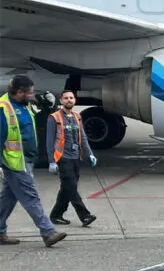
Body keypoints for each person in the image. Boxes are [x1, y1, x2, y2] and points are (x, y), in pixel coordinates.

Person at [0, 75, 67, 247]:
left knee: (8, 198)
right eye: (29, 93)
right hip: (15, 162)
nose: (31, 96)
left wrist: (48, 107)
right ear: (19, 92)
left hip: (27, 159)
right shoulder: (4, 109)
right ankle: (48, 232)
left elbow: (35, 123)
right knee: (31, 197)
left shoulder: (23, 104)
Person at [46, 89, 97, 227]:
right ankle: (85, 216)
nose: (69, 100)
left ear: (74, 100)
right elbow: (49, 141)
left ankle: (56, 215)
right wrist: (51, 161)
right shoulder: (54, 118)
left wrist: (90, 154)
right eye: (66, 98)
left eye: (71, 98)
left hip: (76, 157)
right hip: (62, 157)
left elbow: (83, 137)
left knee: (67, 188)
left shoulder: (77, 117)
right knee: (72, 187)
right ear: (61, 101)